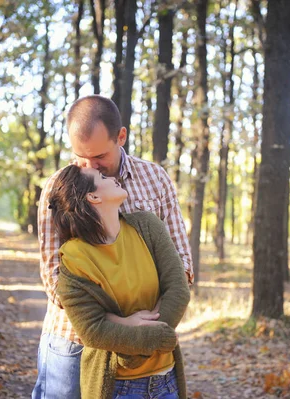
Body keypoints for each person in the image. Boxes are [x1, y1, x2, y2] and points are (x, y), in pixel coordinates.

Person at [32, 95, 193, 399]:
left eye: (99, 157)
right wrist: (118, 325)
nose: (90, 167)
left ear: (121, 137)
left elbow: (182, 266)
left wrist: (146, 333)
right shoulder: (59, 189)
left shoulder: (155, 180)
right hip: (74, 343)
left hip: (151, 350)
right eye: (81, 157)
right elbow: (55, 280)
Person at [49, 164, 190, 398]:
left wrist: (135, 350)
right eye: (102, 177)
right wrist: (159, 339)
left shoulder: (147, 226)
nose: (111, 177)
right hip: (117, 387)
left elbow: (178, 290)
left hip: (167, 381)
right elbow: (92, 330)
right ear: (93, 196)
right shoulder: (74, 258)